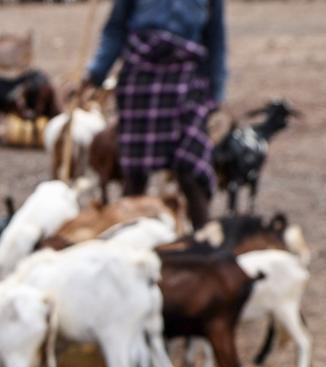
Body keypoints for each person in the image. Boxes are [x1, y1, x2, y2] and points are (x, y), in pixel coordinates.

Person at [78, 0, 228, 228]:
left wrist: (216, 91)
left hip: (186, 78)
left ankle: (204, 242)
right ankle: (126, 235)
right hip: (141, 75)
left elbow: (216, 38)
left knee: (190, 166)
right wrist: (96, 73)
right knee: (135, 171)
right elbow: (115, 28)